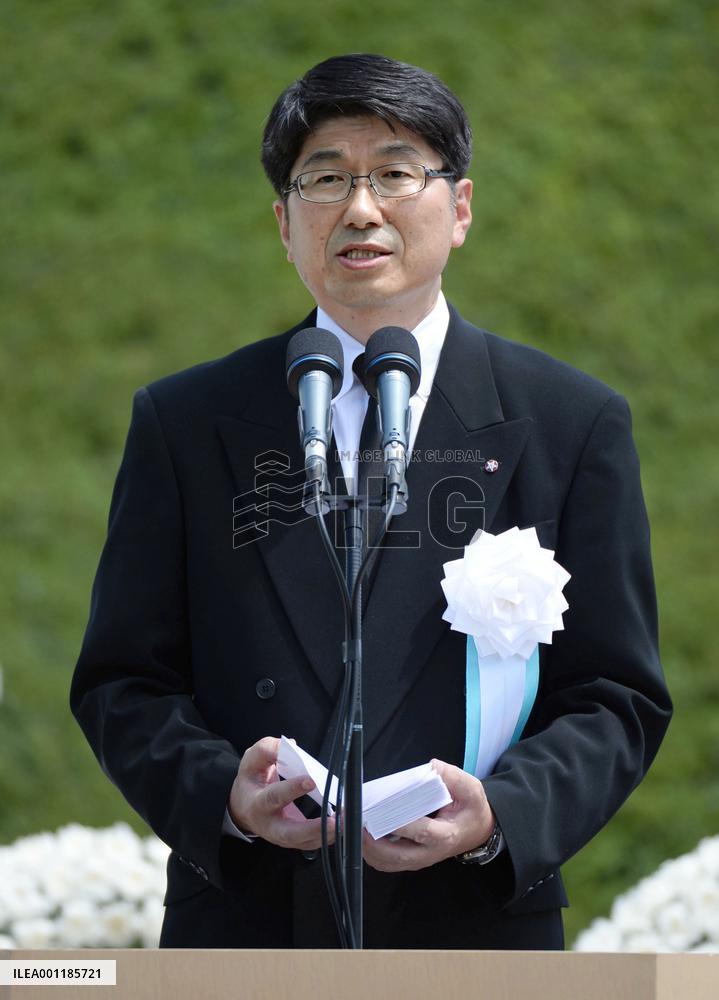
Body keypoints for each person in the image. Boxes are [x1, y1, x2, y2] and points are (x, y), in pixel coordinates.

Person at [71, 53, 671, 950]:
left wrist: (498, 814)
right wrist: (222, 795)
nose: (360, 209)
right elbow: (125, 679)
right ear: (283, 224)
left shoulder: (568, 422)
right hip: (251, 923)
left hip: (473, 928)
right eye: (324, 179)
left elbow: (614, 693)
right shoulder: (187, 421)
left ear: (458, 208)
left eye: (395, 173)